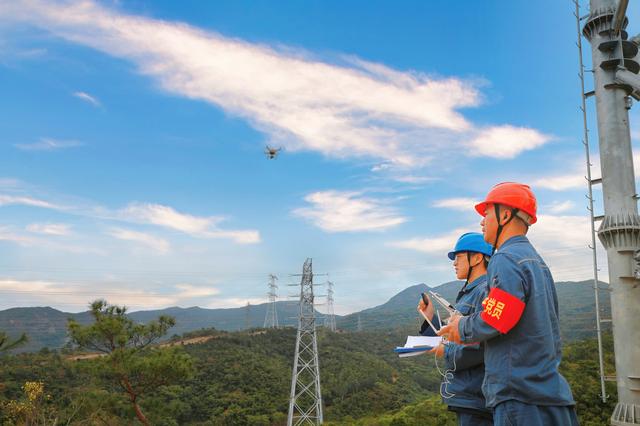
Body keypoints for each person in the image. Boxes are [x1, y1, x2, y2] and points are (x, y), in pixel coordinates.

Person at [437, 182, 578, 426]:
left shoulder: (505, 258)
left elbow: (496, 317)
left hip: (520, 395)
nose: (482, 222)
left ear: (505, 214)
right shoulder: (536, 261)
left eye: (487, 213)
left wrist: (460, 327)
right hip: (548, 393)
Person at [417, 232, 494, 426]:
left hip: (479, 396)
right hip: (470, 396)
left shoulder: (484, 291)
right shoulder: (470, 292)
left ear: (476, 258)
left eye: (458, 257)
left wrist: (444, 350)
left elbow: (482, 344)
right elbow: (455, 333)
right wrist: (430, 317)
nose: (454, 263)